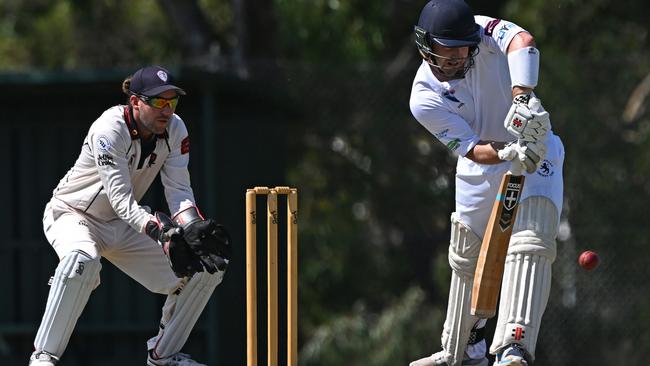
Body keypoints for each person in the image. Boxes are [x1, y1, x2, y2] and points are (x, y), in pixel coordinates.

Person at [29, 65, 232, 366]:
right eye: (158, 102)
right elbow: (120, 198)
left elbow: (178, 190)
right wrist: (161, 232)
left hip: (124, 225)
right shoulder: (109, 129)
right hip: (74, 214)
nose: (166, 110)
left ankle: (163, 357)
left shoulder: (176, 129)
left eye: (172, 102)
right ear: (135, 102)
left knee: (204, 270)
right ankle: (43, 357)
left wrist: (192, 227)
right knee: (81, 260)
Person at [408, 1, 564, 366]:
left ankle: (514, 346)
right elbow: (473, 149)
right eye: (446, 57)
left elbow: (523, 40)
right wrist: (511, 151)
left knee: (530, 240)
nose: (455, 63)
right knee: (466, 253)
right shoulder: (423, 98)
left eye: (461, 55)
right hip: (483, 163)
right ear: (426, 47)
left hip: (537, 152)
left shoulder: (483, 31)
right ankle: (461, 348)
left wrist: (522, 100)